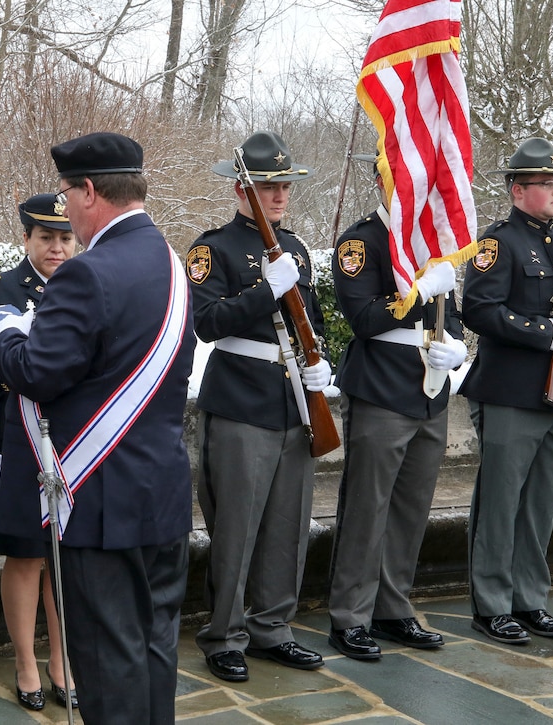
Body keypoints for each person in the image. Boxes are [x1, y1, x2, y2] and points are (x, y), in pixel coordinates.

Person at [0, 132, 196, 724]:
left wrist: (4, 333)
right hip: (161, 494)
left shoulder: (88, 273)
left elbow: (36, 371)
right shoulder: (172, 262)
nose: (67, 208)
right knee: (155, 648)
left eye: (67, 193)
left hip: (101, 503)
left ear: (89, 190)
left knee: (107, 664)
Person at [185, 130, 330, 681]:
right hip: (241, 399)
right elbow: (206, 324)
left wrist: (320, 364)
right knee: (237, 527)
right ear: (242, 190)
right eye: (269, 186)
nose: (279, 196)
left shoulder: (295, 248)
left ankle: (273, 628)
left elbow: (308, 318)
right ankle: (224, 634)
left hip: (292, 397)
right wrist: (264, 290)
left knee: (287, 525)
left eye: (284, 186)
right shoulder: (213, 248)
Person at [461, 137, 553, 645]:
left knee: (541, 505)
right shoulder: (498, 243)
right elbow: (479, 310)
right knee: (500, 505)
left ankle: (529, 599)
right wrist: (549, 334)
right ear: (516, 189)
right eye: (546, 184)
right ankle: (492, 604)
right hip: (511, 393)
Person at [326, 153, 467, 660]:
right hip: (382, 388)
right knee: (368, 507)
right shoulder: (362, 242)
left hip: (429, 389)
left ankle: (392, 608)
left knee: (411, 508)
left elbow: (452, 313)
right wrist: (416, 290)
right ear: (383, 182)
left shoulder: (433, 242)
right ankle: (349, 615)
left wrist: (458, 344)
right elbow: (363, 318)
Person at [0, 193, 78, 711]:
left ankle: (63, 658)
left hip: (75, 440)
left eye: (65, 237)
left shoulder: (86, 285)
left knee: (66, 555)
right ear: (26, 238)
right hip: (16, 439)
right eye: (46, 237)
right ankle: (26, 661)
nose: (57, 247)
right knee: (27, 555)